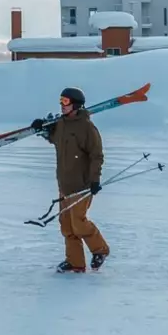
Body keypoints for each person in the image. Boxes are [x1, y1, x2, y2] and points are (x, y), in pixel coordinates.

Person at [34, 86, 107, 273]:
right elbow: (54, 139)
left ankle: (100, 250)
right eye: (61, 101)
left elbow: (96, 155)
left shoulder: (87, 127)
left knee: (79, 223)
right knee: (66, 226)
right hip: (64, 185)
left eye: (65, 102)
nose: (62, 105)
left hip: (81, 186)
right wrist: (42, 129)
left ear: (75, 105)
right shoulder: (62, 124)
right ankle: (75, 262)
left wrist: (94, 180)